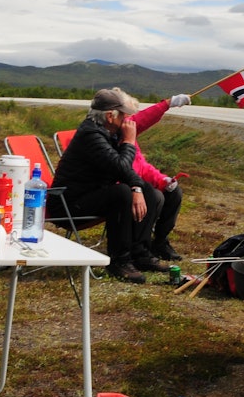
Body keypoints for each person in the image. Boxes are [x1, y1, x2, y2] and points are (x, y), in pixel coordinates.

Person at [53, 88, 192, 283]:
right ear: (110, 116)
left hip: (91, 195)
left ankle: (141, 254)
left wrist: (138, 187)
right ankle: (119, 261)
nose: (129, 120)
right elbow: (120, 166)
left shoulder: (107, 130)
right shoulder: (91, 135)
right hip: (69, 204)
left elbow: (125, 169)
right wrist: (129, 141)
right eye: (125, 115)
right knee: (121, 193)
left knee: (148, 192)